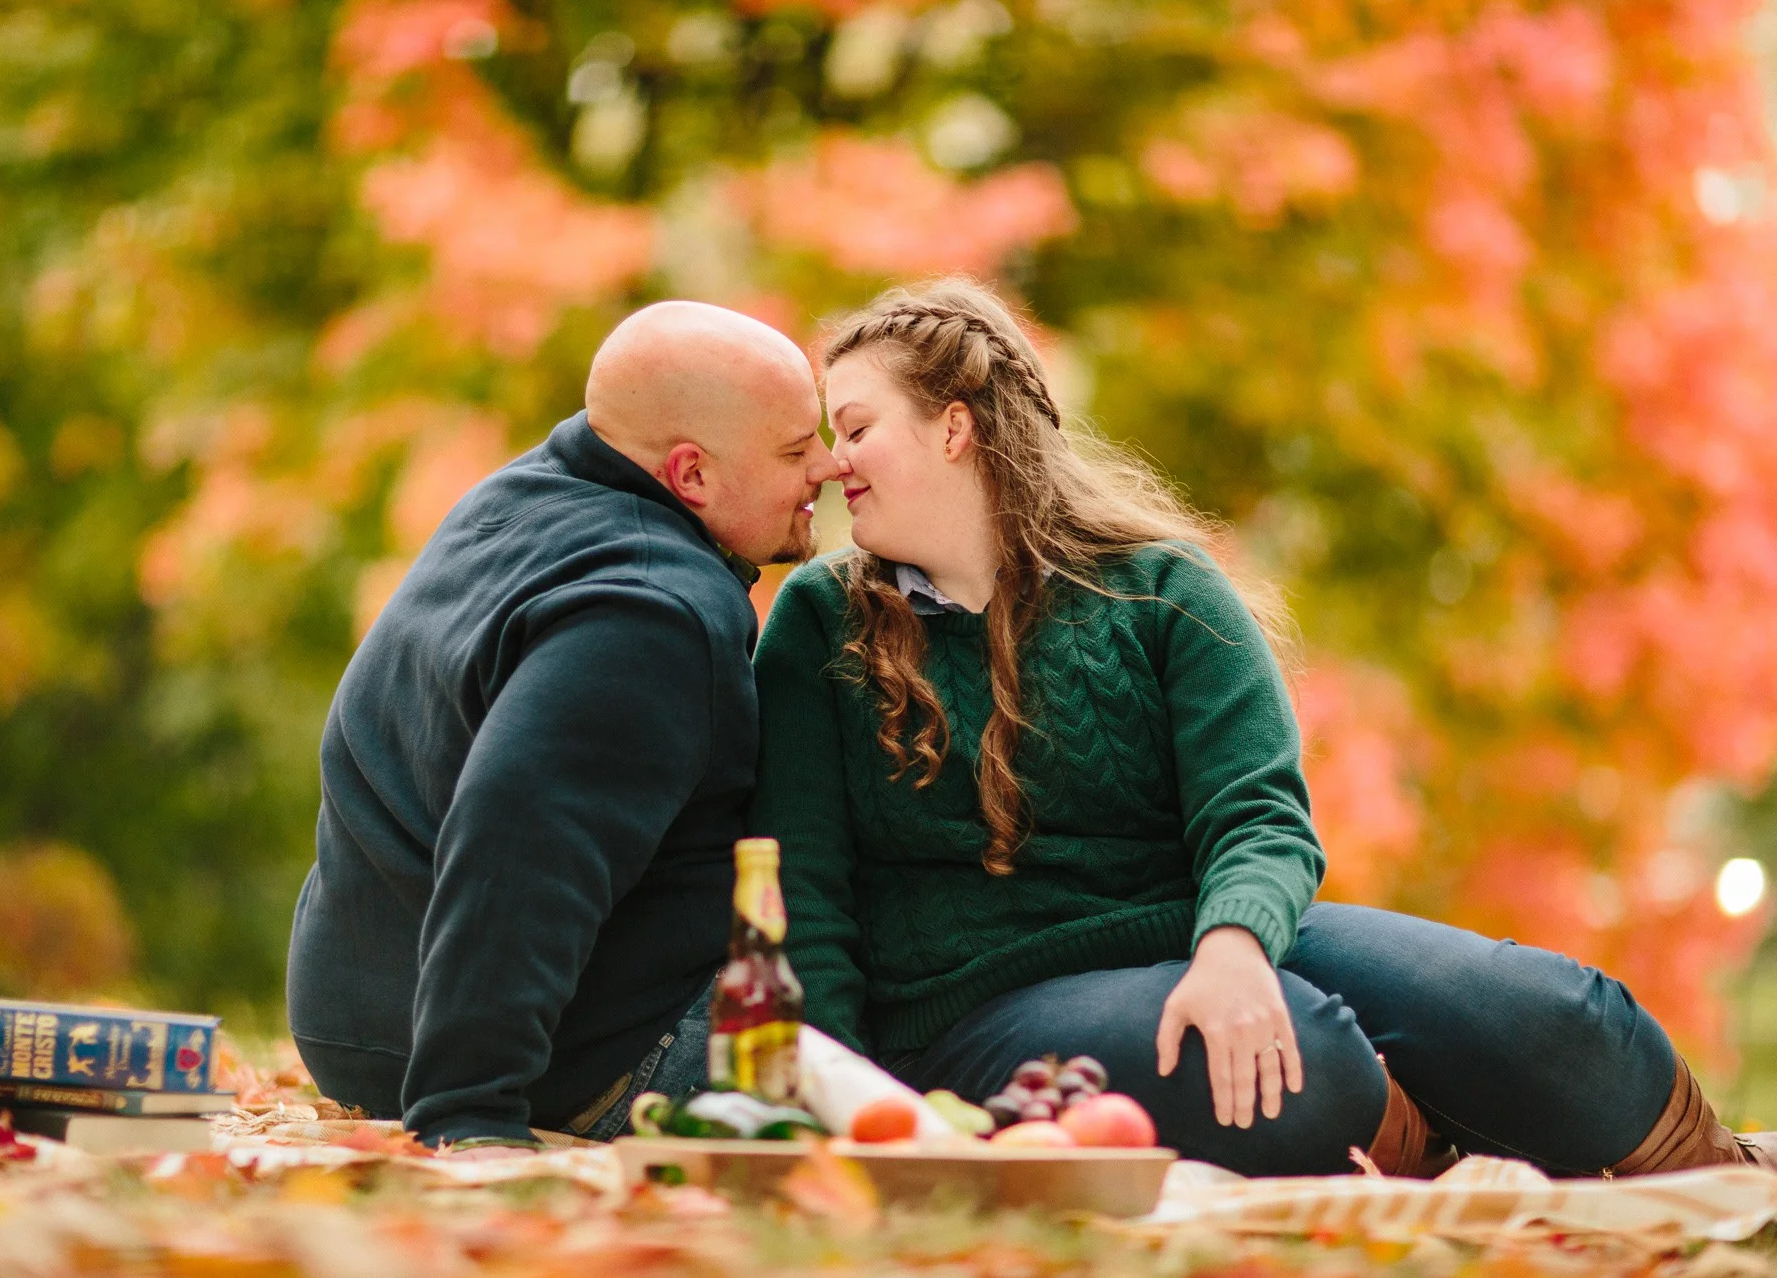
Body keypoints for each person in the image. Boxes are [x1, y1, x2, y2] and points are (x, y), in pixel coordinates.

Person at [749, 277, 1775, 1178]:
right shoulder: (818, 625)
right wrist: (855, 1114)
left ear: (955, 427)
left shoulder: (1161, 590)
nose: (834, 463)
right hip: (980, 1011)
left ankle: (1727, 1174)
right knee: (1303, 1068)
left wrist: (1235, 946)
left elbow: (1260, 815)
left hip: (1203, 935)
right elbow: (805, 893)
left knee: (1555, 1015)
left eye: (856, 425)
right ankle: (1436, 1154)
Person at [288, 301, 839, 1146]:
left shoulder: (524, 501)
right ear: (689, 474)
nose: (829, 469)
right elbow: (518, 842)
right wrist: (469, 1114)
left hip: (360, 1018)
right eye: (798, 450)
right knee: (911, 1024)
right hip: (569, 1058)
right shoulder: (652, 614)